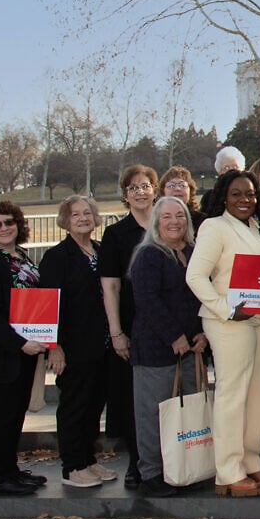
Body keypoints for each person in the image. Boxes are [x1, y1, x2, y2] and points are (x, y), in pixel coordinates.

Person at [185, 169, 260, 497]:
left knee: (257, 394)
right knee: (231, 394)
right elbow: (195, 277)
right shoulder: (215, 227)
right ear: (224, 196)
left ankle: (250, 459)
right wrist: (226, 308)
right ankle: (227, 471)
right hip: (229, 321)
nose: (245, 200)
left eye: (251, 194)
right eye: (237, 194)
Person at [127, 196, 208, 497]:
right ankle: (151, 473)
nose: (174, 222)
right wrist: (174, 336)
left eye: (180, 216)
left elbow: (200, 295)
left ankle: (183, 469)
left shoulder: (192, 252)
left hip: (191, 348)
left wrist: (202, 333)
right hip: (156, 348)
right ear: (156, 222)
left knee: (186, 415)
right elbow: (147, 300)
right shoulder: (149, 254)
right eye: (167, 217)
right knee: (154, 414)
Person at [0, 203, 47, 496]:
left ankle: (11, 470)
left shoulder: (20, 256)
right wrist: (20, 343)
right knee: (1, 415)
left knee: (15, 414)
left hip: (25, 348)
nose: (4, 228)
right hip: (3, 350)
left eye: (9, 222)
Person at [39, 196, 112, 489]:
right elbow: (48, 304)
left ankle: (88, 459)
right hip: (73, 345)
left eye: (87, 213)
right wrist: (54, 346)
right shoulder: (57, 257)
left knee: (94, 405)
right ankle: (73, 466)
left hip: (102, 344)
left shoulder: (100, 251)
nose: (83, 218)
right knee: (74, 406)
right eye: (76, 214)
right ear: (65, 220)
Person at [100, 163, 158, 488]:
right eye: (133, 187)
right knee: (134, 400)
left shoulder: (169, 225)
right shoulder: (116, 234)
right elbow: (110, 286)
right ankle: (137, 462)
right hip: (132, 326)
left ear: (155, 189)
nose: (140, 192)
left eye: (145, 185)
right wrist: (116, 332)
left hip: (168, 326)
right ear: (125, 195)